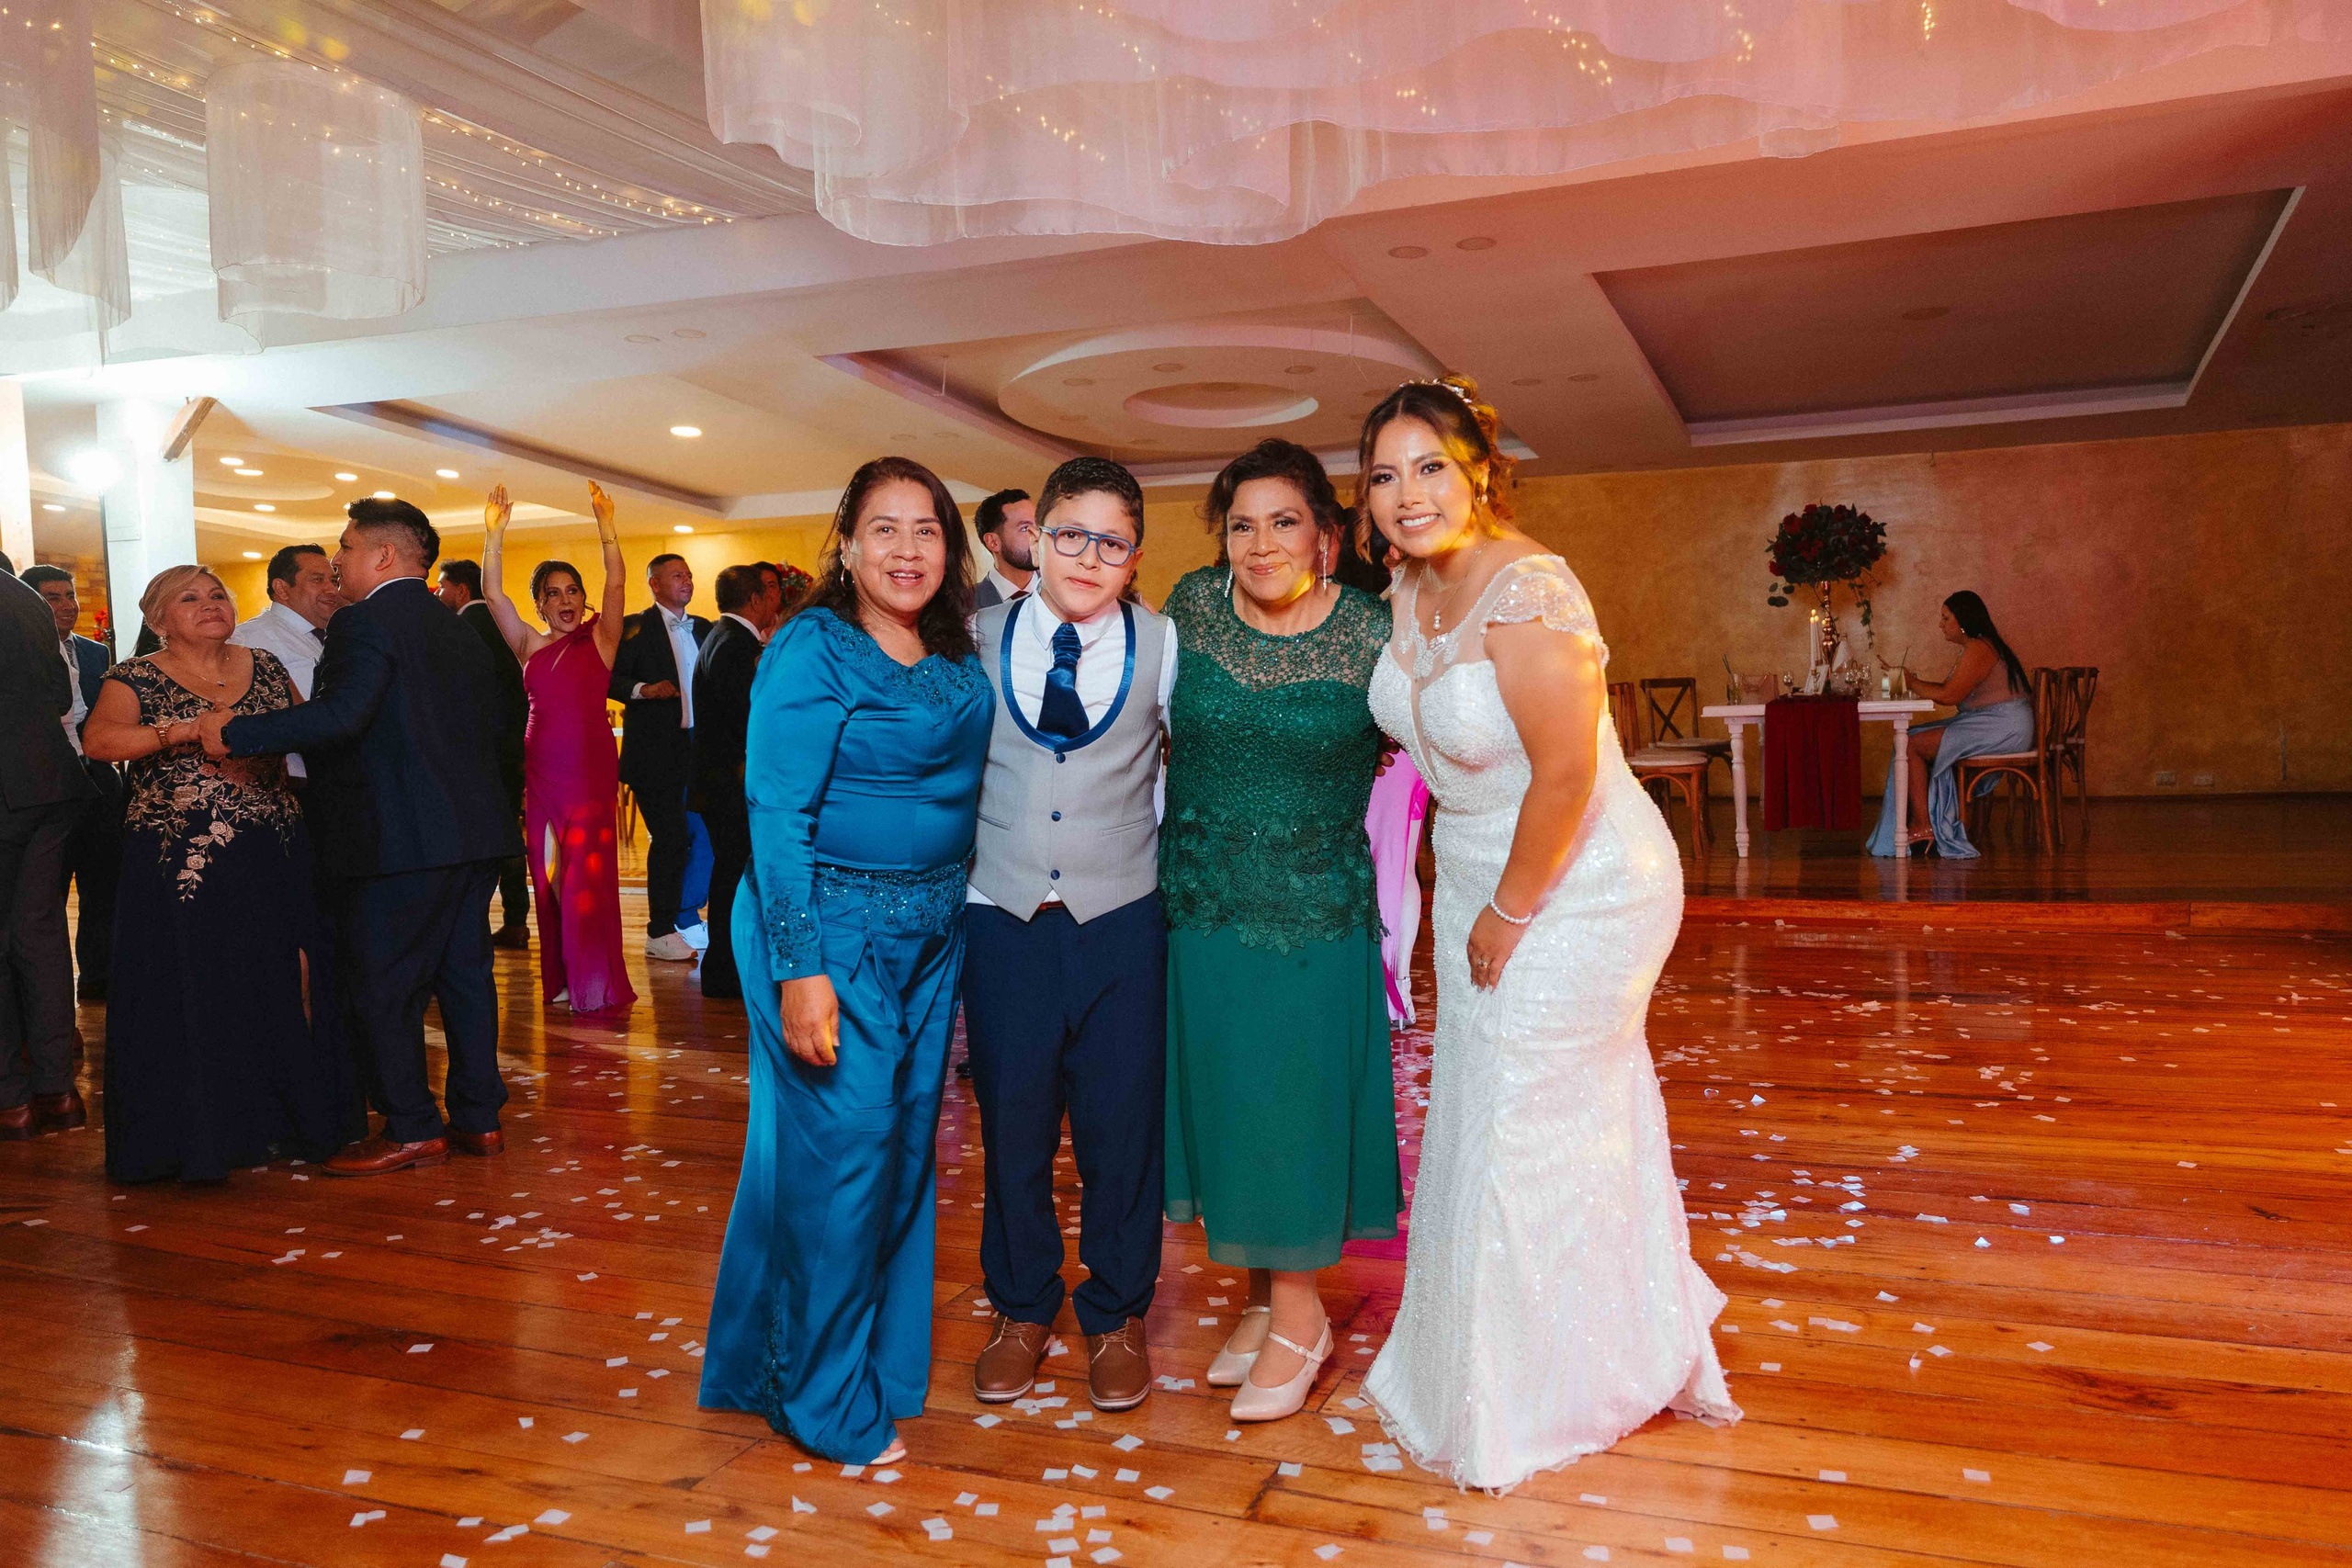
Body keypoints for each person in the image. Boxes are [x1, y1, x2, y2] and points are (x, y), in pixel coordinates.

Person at [1357, 377, 1738, 1491]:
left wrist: (1510, 910)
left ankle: (1543, 1393)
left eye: (1431, 466)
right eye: (1383, 474)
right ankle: (1523, 1358)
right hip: (1478, 875)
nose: (1408, 493)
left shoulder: (1529, 588)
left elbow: (1566, 773)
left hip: (1580, 883)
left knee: (1525, 1117)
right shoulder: (1408, 586)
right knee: (1488, 1114)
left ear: (1480, 471)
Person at [700, 457, 992, 1467]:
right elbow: (775, 813)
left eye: (927, 530)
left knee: (899, 1153)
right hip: (826, 932)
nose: (907, 550)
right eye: (885, 529)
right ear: (848, 544)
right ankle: (818, 1401)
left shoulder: (950, 646)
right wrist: (800, 970)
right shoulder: (812, 645)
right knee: (848, 1155)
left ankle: (857, 1365)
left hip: (930, 937)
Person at [1159, 439, 1402, 1423]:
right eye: (1241, 526)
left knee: (1293, 1109)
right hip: (1204, 907)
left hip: (1313, 914)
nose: (1261, 544)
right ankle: (1263, 1299)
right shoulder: (1189, 606)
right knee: (1230, 1104)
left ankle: (1302, 1318)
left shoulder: (1374, 632)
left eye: (1284, 522)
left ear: (1328, 537)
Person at [201, 497, 522, 1177]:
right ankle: (478, 1118)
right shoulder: (460, 626)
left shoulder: (363, 621)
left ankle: (410, 1125)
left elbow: (343, 715)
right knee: (464, 978)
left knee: (384, 984)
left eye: (345, 547)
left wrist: (236, 732)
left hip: (400, 835)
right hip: (472, 832)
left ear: (383, 554)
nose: (338, 560)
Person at [963, 457, 1178, 1416]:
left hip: (1122, 918)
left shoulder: (1163, 644)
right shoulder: (971, 638)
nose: (1089, 557)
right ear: (1035, 537)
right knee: (1011, 1125)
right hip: (1002, 917)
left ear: (1135, 558)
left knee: (1120, 1128)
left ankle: (1117, 1312)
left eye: (1113, 543)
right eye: (1071, 535)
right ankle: (1019, 1308)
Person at [83, 567, 353, 1179]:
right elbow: (99, 742)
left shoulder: (266, 665)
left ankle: (276, 1121)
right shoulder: (134, 676)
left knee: (272, 974)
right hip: (178, 860)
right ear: (159, 620)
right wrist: (181, 731)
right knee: (194, 979)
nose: (210, 605)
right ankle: (200, 1135)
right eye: (190, 598)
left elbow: (308, 732)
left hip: (271, 849)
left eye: (217, 596)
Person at [477, 485, 635, 1014]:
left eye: (572, 591)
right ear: (540, 603)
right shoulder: (529, 645)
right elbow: (493, 595)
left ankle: (593, 979)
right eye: (553, 593)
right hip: (542, 774)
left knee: (585, 876)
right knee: (548, 877)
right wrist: (494, 534)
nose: (565, 601)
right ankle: (565, 975)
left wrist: (605, 525)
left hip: (589, 771)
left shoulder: (601, 639)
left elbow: (617, 581)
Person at [0, 563, 95, 1140]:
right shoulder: (25, 598)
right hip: (50, 784)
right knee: (40, 936)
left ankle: (10, 1100)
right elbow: (61, 694)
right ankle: (57, 1092)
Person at [1867, 591, 2035, 859]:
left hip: (2003, 727)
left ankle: (1923, 825)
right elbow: (1948, 689)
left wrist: (1910, 682)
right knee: (1911, 736)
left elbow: (1949, 696)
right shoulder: (1978, 647)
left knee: (1909, 744)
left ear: (1963, 620)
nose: (1941, 624)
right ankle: (1924, 823)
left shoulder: (1979, 649)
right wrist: (1913, 682)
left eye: (1946, 618)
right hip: (1996, 723)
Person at [23, 565, 122, 1003]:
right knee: (50, 888)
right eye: (53, 597)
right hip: (47, 778)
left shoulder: (96, 652)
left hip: (97, 774)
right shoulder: (22, 650)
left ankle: (98, 978)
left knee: (104, 880)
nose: (67, 605)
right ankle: (48, 993)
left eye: (70, 595)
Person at [688, 563, 783, 1001]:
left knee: (731, 874)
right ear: (756, 599)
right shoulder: (735, 644)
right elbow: (750, 719)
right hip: (731, 784)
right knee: (735, 878)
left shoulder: (720, 636)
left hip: (720, 783)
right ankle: (725, 971)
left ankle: (727, 968)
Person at [609, 552, 709, 961]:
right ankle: (659, 928)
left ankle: (687, 917)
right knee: (670, 837)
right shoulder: (634, 628)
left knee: (701, 837)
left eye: (688, 574)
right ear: (654, 584)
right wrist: (643, 690)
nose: (686, 581)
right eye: (676, 575)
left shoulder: (705, 628)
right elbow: (609, 678)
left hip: (699, 751)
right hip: (654, 754)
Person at [436, 558, 532, 946]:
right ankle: (516, 919)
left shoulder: (456, 629)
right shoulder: (506, 625)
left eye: (442, 586)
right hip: (511, 748)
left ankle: (469, 926)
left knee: (473, 840)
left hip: (473, 753)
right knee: (508, 834)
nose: (437, 592)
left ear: (461, 590)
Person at [227, 543, 344, 778]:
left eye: (334, 581)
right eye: (317, 580)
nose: (332, 590)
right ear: (281, 588)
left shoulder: (337, 636)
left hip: (338, 775)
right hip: (290, 780)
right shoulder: (246, 641)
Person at [970, 488, 1036, 609]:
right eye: (1025, 528)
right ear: (993, 542)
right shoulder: (963, 606)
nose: (1037, 535)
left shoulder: (1065, 593)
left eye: (1039, 526)